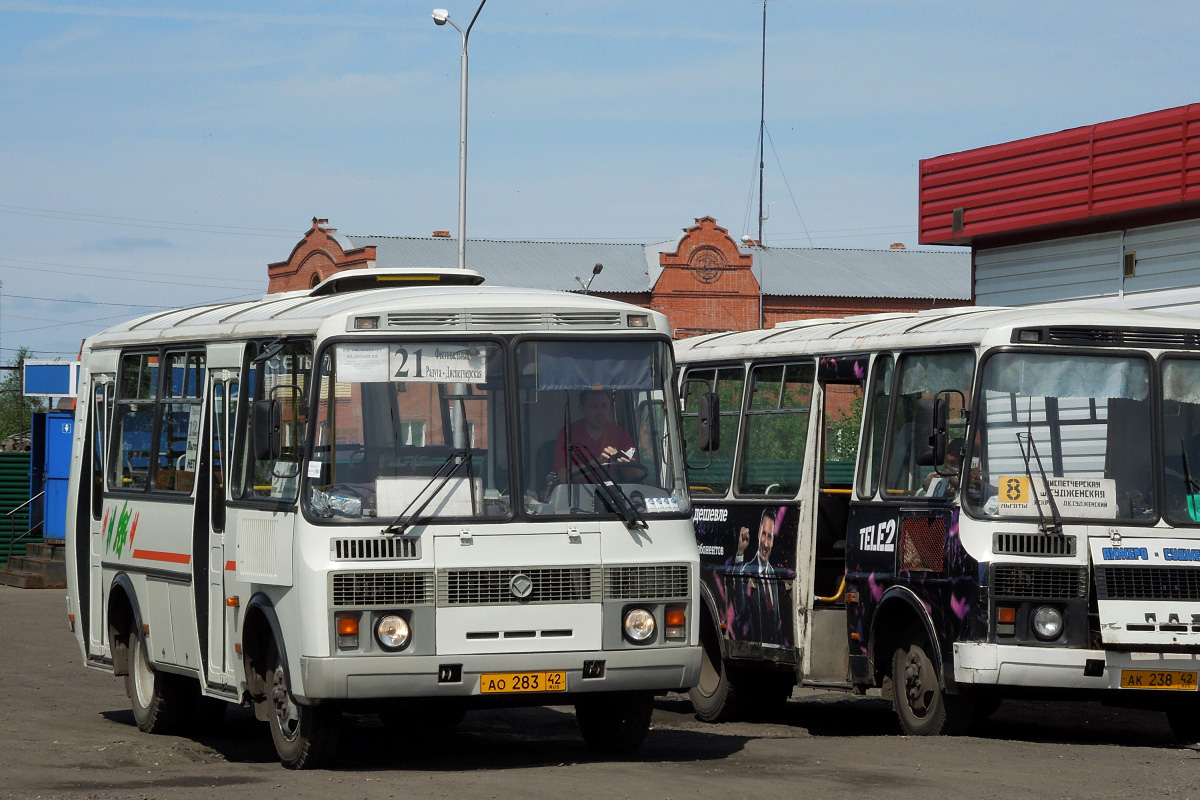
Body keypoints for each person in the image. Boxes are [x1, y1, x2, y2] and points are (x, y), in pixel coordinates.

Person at [552, 389, 637, 482]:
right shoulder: (568, 435)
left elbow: (638, 474)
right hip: (579, 494)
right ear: (582, 408)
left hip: (614, 494)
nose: (600, 412)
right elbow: (563, 476)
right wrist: (599, 462)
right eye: (594, 406)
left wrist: (626, 466)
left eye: (604, 406)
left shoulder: (621, 434)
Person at [731, 509, 783, 645]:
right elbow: (740, 608)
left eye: (770, 537)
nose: (766, 544)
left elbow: (776, 620)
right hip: (756, 648)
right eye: (764, 534)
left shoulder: (773, 573)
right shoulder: (746, 570)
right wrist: (740, 552)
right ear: (758, 534)